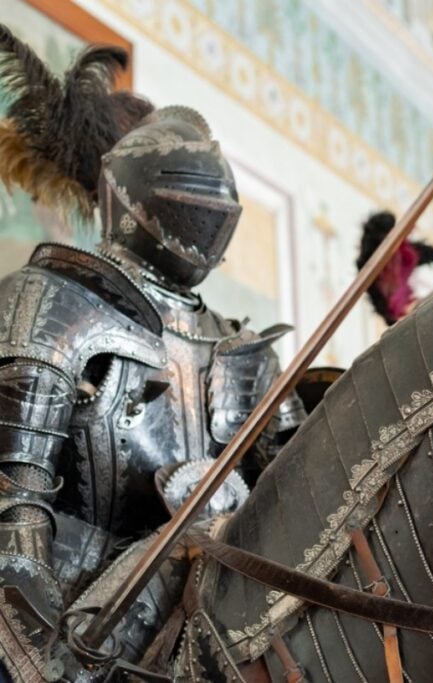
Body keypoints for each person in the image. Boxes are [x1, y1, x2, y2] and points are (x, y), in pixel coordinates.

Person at [0, 28, 304, 679]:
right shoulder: (51, 303)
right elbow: (11, 508)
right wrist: (46, 660)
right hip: (81, 623)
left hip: (227, 627)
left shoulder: (241, 350)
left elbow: (303, 511)